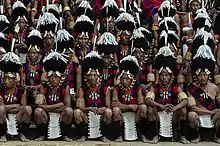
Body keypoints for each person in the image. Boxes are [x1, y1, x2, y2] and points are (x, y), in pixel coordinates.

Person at [145, 44, 189, 144]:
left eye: (167, 75)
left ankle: (183, 136)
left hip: (172, 114)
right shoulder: (155, 87)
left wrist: (175, 108)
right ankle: (154, 136)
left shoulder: (175, 87)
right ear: (159, 76)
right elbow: (148, 100)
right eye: (162, 75)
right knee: (150, 109)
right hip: (159, 113)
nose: (164, 78)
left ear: (171, 76)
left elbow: (185, 100)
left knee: (183, 109)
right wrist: (160, 105)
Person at [187, 35, 220, 144]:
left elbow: (218, 104)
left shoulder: (215, 87)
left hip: (212, 117)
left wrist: (214, 112)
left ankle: (216, 136)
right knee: (191, 115)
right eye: (200, 75)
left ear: (208, 76)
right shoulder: (192, 88)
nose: (202, 78)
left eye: (204, 75)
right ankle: (197, 136)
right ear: (196, 76)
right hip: (199, 116)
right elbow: (192, 108)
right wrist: (209, 111)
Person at [34, 51, 73, 141]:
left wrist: (47, 107)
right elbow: (39, 106)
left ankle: (64, 134)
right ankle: (42, 134)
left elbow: (67, 106)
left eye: (56, 77)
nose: (53, 79)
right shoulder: (43, 87)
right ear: (47, 77)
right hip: (47, 115)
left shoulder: (65, 87)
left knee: (69, 111)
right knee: (38, 111)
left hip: (61, 115)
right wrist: (58, 105)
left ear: (60, 78)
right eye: (51, 77)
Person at [74, 51, 112, 142]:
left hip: (100, 114)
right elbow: (80, 107)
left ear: (98, 76)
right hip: (88, 115)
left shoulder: (105, 89)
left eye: (94, 75)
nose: (92, 78)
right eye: (90, 75)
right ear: (86, 76)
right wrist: (89, 109)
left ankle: (104, 135)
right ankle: (83, 135)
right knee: (77, 112)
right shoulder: (82, 89)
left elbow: (108, 106)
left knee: (109, 112)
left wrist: (103, 108)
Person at [112, 55, 147, 142]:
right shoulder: (116, 88)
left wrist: (124, 105)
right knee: (116, 110)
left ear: (131, 79)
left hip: (135, 115)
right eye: (122, 79)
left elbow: (140, 104)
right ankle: (119, 135)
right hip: (122, 113)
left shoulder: (137, 87)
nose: (124, 81)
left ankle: (141, 134)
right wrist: (129, 106)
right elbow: (114, 104)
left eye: (127, 79)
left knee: (143, 108)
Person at [0, 48, 32, 142]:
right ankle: (2, 134)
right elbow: (1, 108)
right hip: (4, 116)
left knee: (28, 109)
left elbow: (23, 107)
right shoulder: (1, 89)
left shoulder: (21, 90)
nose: (6, 81)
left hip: (18, 116)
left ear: (14, 79)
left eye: (9, 79)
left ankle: (23, 134)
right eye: (5, 79)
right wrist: (15, 106)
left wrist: (6, 107)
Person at [22, 29, 44, 107]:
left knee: (36, 93)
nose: (32, 55)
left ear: (38, 54)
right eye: (30, 53)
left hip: (37, 90)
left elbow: (43, 83)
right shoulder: (25, 66)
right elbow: (23, 81)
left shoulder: (42, 66)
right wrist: (26, 87)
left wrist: (35, 87)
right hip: (27, 90)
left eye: (34, 53)